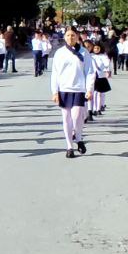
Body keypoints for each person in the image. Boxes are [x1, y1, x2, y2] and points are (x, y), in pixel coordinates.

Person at [49, 28, 95, 159]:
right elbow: (55, 73)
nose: (70, 38)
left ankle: (78, 138)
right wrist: (55, 91)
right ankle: (69, 147)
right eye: (68, 35)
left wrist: (89, 89)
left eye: (73, 35)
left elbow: (90, 72)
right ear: (64, 37)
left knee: (77, 116)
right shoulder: (60, 53)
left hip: (79, 89)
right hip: (64, 89)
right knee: (66, 118)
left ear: (77, 36)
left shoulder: (84, 52)